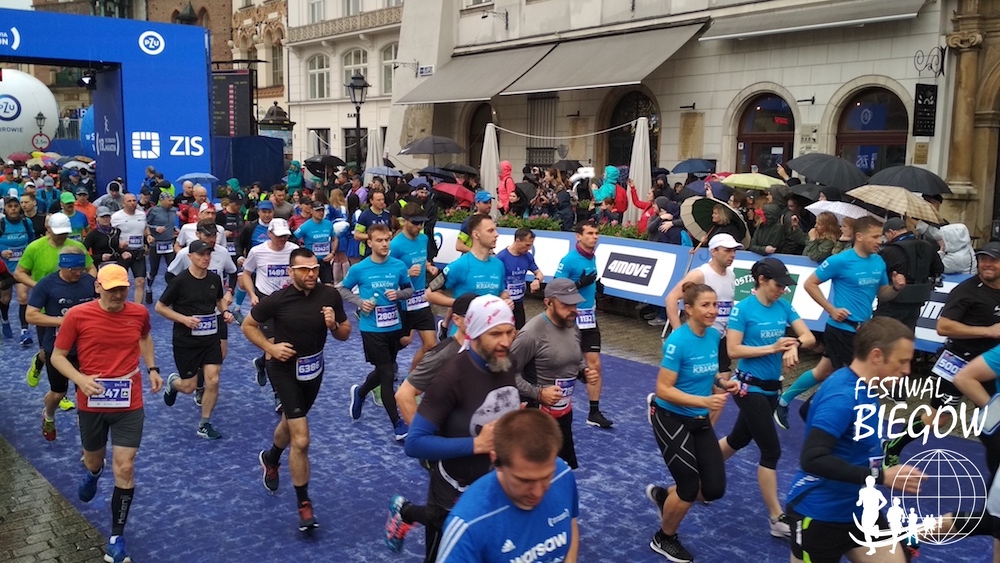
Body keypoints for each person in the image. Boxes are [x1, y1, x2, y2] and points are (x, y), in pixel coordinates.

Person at [786, 317, 926, 563]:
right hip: (819, 517)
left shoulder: (855, 381)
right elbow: (813, 458)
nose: (906, 370)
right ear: (876, 355)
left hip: (860, 510)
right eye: (902, 361)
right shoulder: (844, 396)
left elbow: (807, 410)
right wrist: (881, 476)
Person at [49, 264, 163, 563]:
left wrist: (152, 368)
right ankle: (93, 472)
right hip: (92, 401)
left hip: (129, 400)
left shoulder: (138, 313)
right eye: (111, 289)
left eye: (122, 289)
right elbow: (57, 357)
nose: (118, 295)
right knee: (93, 459)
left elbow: (145, 338)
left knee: (125, 467)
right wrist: (80, 379)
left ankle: (116, 537)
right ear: (97, 287)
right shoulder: (77, 315)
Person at [397, 295, 520, 562]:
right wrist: (477, 444)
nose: (506, 341)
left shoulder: (505, 360)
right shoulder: (452, 374)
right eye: (495, 333)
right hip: (453, 493)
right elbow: (414, 443)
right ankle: (404, 512)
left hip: (495, 486)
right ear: (475, 333)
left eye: (510, 332)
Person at [246, 248, 351, 532]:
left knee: (290, 422)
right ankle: (304, 504)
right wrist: (269, 348)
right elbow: (248, 325)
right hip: (283, 370)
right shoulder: (278, 300)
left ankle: (271, 458)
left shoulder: (329, 295)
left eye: (314, 269)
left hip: (313, 370)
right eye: (304, 270)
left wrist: (333, 325)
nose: (311, 274)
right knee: (301, 439)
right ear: (291, 272)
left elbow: (345, 334)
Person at [718, 258, 815, 538]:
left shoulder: (784, 306)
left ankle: (700, 469)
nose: (783, 290)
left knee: (738, 439)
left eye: (785, 286)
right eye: (778, 285)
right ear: (761, 280)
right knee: (771, 451)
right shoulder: (744, 309)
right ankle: (776, 518)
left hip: (773, 389)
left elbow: (809, 337)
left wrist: (794, 345)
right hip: (748, 388)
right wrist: (774, 347)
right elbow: (733, 350)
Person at [645, 282, 735, 563]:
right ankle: (664, 538)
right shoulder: (678, 342)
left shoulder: (713, 336)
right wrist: (704, 401)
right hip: (670, 417)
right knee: (688, 485)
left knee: (713, 489)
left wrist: (722, 382)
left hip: (699, 419)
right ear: (689, 308)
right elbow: (663, 390)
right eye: (705, 305)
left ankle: (665, 497)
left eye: (715, 304)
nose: (713, 310)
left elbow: (706, 372)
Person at [435, 409, 580, 562]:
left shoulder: (562, 474)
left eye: (546, 477)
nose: (537, 492)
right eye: (524, 480)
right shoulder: (469, 523)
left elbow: (570, 523)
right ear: (496, 461)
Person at [510, 278, 598, 470]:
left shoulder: (572, 325)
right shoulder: (531, 334)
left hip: (564, 414)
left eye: (575, 303)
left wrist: (584, 372)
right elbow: (507, 373)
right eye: (566, 304)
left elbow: (575, 357)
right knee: (535, 474)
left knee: (562, 472)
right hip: (536, 418)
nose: (573, 310)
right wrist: (539, 393)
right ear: (548, 302)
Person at [340, 223, 414, 440]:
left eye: (387, 239)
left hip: (394, 326)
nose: (384, 244)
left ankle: (360, 392)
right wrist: (360, 302)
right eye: (379, 240)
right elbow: (342, 289)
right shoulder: (359, 268)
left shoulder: (399, 266)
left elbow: (409, 290)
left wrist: (398, 295)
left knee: (385, 369)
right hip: (371, 328)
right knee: (388, 375)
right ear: (370, 243)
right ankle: (398, 424)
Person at [155, 240, 235, 439]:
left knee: (213, 379)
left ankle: (204, 423)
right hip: (186, 341)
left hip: (210, 338)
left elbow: (218, 300)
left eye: (208, 254)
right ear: (190, 257)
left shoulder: (214, 279)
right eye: (201, 255)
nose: (206, 258)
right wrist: (183, 319)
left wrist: (225, 312)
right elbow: (160, 307)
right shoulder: (180, 282)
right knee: (189, 386)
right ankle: (174, 384)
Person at [15, 212, 95, 410]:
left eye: (64, 233)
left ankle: (64, 389)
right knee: (51, 349)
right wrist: (40, 289)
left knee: (72, 353)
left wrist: (92, 283)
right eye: (58, 233)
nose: (61, 236)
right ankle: (54, 382)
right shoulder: (35, 248)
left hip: (75, 305)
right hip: (46, 309)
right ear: (48, 229)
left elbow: (91, 268)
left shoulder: (77, 247)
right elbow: (19, 273)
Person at [662, 233, 742, 425]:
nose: (732, 255)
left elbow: (728, 306)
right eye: (727, 250)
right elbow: (671, 298)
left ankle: (706, 432)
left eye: (734, 251)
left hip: (720, 339)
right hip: (698, 339)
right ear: (714, 251)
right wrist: (678, 331)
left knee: (720, 393)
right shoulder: (700, 274)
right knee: (690, 385)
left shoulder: (732, 274)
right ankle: (664, 410)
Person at [25, 247, 96, 442]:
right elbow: (31, 315)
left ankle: (88, 444)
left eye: (81, 269)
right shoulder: (46, 285)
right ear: (63, 266)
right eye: (73, 270)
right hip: (58, 349)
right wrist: (63, 321)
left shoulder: (90, 282)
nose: (78, 273)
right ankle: (48, 415)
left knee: (85, 391)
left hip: (86, 348)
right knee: (58, 393)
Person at [555, 221, 613, 429]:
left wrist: (596, 287)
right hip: (569, 320)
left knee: (594, 365)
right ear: (578, 236)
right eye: (590, 233)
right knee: (562, 364)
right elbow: (555, 289)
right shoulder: (569, 260)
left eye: (596, 233)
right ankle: (552, 407)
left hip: (589, 319)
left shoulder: (593, 257)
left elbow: (589, 283)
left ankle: (594, 412)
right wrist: (579, 284)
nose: (594, 237)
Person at [242, 218, 300, 412]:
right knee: (273, 346)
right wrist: (252, 295)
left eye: (285, 236)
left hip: (288, 301)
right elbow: (246, 274)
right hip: (266, 301)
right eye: (278, 236)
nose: (282, 239)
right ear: (269, 234)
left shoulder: (293, 250)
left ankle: (261, 363)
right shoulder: (257, 251)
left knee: (289, 342)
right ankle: (278, 394)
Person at [428, 214, 509, 338]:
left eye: (495, 230)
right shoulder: (459, 265)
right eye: (490, 230)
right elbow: (429, 294)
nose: (496, 234)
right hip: (464, 339)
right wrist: (459, 304)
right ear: (476, 235)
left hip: (489, 336)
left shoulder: (498, 265)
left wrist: (504, 301)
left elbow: (501, 292)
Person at [389, 204, 439, 371]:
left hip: (420, 299)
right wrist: (407, 273)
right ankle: (384, 369)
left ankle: (411, 380)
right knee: (403, 341)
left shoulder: (423, 239)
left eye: (421, 223)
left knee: (431, 345)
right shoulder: (395, 245)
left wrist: (428, 266)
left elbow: (422, 260)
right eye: (415, 223)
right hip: (402, 301)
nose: (419, 227)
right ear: (404, 221)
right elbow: (387, 274)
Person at [875, 217, 943, 330]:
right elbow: (939, 269)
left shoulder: (890, 250)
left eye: (885, 235)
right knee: (906, 336)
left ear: (891, 232)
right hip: (917, 301)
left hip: (892, 302)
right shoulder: (928, 246)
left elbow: (877, 274)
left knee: (883, 336)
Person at [0, 195, 35, 344]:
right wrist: (1, 252)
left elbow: (32, 240)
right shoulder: (1, 224)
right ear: (5, 209)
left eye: (16, 206)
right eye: (10, 206)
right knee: (5, 298)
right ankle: (5, 320)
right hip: (4, 269)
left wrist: (29, 252)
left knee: (23, 297)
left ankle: (24, 331)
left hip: (21, 267)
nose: (13, 209)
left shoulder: (26, 222)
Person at [497, 227, 544, 330]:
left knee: (519, 332)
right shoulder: (501, 258)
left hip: (519, 302)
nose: (529, 248)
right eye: (527, 245)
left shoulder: (527, 256)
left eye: (531, 245)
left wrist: (537, 280)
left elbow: (539, 273)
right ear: (517, 241)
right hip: (505, 303)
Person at [110, 193, 149, 305]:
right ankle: (120, 305)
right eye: (129, 201)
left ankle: (138, 307)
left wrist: (148, 237)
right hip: (123, 252)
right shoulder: (116, 217)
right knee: (120, 282)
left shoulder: (141, 215)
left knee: (140, 281)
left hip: (139, 251)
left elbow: (145, 228)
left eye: (134, 200)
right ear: (123, 203)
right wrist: (118, 245)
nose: (132, 203)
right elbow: (111, 234)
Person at [145, 191, 178, 303]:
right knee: (154, 270)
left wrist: (174, 230)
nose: (171, 203)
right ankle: (149, 289)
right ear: (161, 201)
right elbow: (146, 224)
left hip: (169, 244)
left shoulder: (173, 210)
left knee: (172, 269)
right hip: (156, 244)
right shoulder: (153, 211)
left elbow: (171, 224)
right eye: (169, 201)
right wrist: (155, 228)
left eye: (172, 200)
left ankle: (172, 293)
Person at [294, 200, 337, 284]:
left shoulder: (328, 224)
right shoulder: (305, 226)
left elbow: (334, 239)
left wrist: (332, 253)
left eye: (322, 210)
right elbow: (293, 238)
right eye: (318, 210)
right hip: (311, 263)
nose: (321, 213)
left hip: (325, 261)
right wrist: (302, 253)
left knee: (329, 285)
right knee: (310, 284)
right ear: (311, 211)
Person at [354, 190, 392, 257]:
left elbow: (390, 230)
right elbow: (357, 235)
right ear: (371, 201)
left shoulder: (387, 214)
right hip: (368, 252)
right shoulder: (365, 215)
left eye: (383, 199)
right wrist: (375, 236)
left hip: (384, 251)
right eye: (378, 200)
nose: (382, 202)